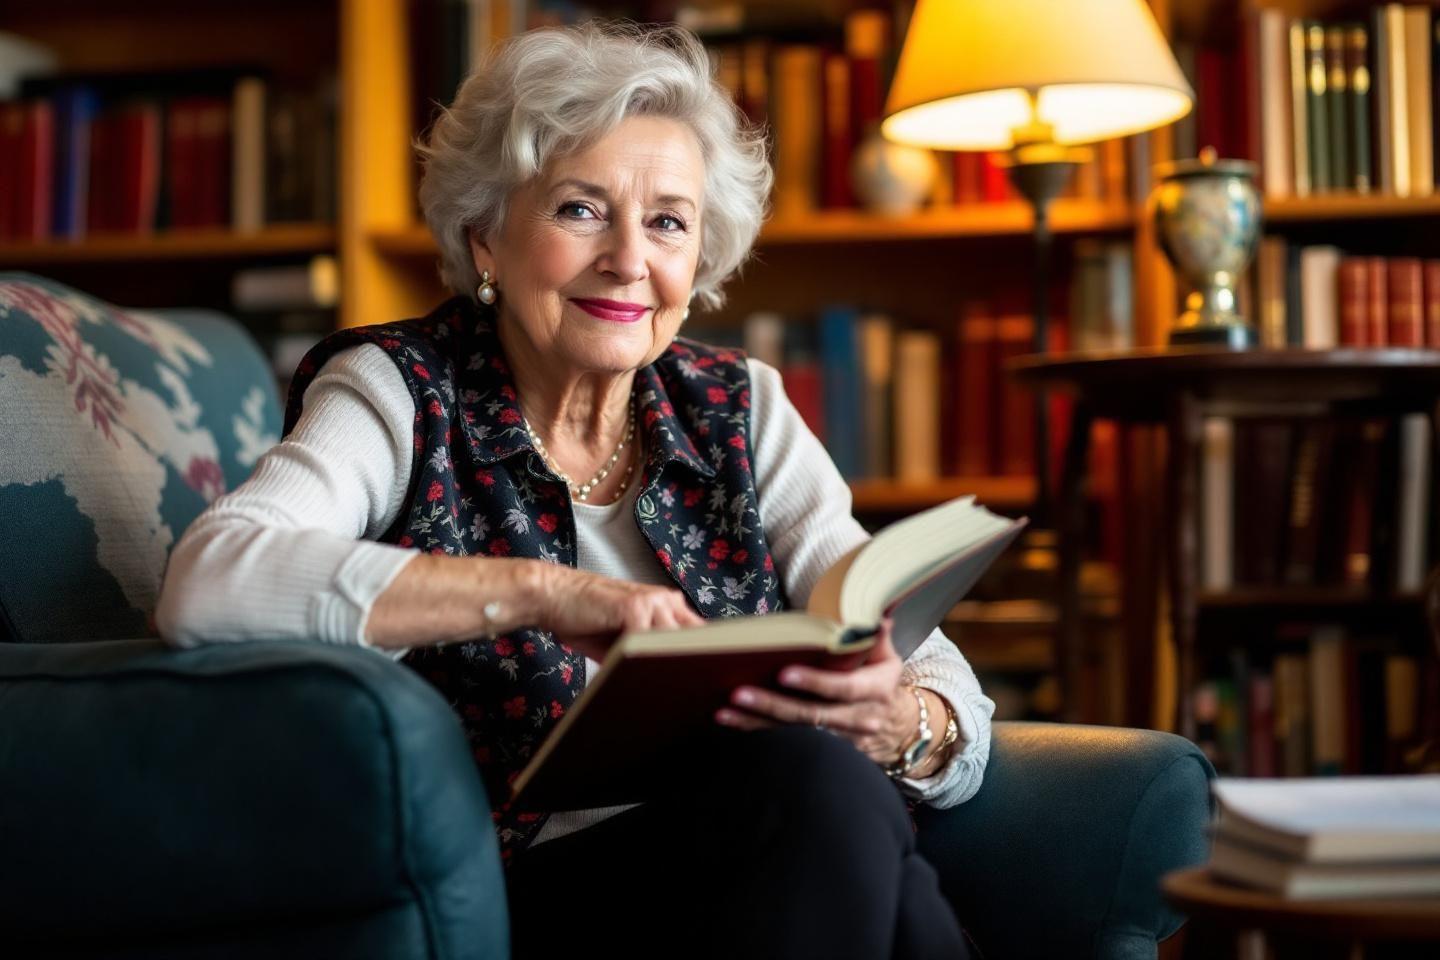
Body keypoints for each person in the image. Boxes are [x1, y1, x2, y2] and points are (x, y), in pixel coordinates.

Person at [156, 20, 992, 959]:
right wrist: (551, 594)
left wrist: (903, 726)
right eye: (581, 210)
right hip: (514, 896)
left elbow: (923, 659)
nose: (630, 259)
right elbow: (212, 581)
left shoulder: (738, 405)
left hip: (770, 864)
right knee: (823, 795)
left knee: (839, 796)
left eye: (669, 221)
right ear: (486, 239)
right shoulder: (401, 388)